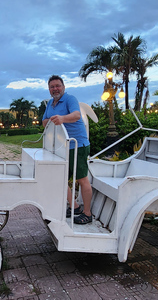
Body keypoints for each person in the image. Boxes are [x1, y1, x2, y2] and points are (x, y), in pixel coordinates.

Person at [42, 75, 93, 224]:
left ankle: (87, 213)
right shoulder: (50, 103)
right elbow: (45, 121)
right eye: (52, 87)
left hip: (77, 145)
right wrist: (50, 121)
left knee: (82, 179)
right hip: (60, 147)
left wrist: (62, 119)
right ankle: (75, 207)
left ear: (63, 87)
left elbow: (77, 115)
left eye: (57, 86)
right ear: (49, 89)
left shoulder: (70, 99)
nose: (55, 89)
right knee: (60, 178)